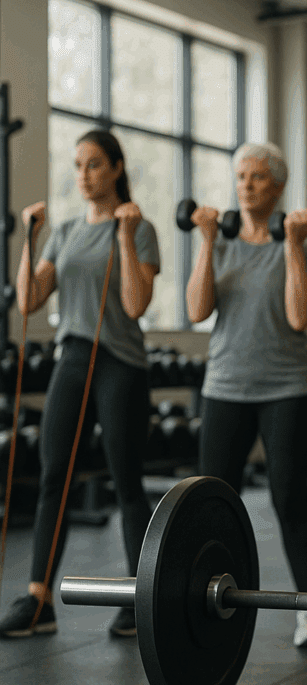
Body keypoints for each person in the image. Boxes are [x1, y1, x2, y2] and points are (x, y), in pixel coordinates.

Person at [0, 130, 159, 639]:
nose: (84, 174)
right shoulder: (65, 231)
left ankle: (139, 596)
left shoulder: (139, 226)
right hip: (72, 357)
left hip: (121, 363)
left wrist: (127, 238)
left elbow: (135, 305)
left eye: (94, 164)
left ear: (116, 168)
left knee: (125, 480)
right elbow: (28, 301)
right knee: (53, 478)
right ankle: (38, 599)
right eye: (78, 165)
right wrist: (30, 238)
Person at [185, 141, 307, 648]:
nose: (245, 184)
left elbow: (300, 316)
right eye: (240, 176)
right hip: (225, 386)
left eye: (256, 177)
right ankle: (211, 599)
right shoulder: (219, 239)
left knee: (289, 498)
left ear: (278, 185)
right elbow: (197, 311)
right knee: (212, 499)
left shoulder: (303, 239)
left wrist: (291, 244)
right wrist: (205, 241)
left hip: (288, 387)